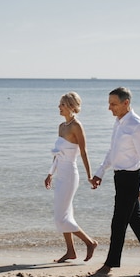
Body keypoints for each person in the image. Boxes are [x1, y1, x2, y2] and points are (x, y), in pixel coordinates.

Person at [90, 87, 140, 276]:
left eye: (113, 104)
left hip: (132, 179)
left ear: (126, 103)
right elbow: (112, 152)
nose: (110, 108)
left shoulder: (137, 125)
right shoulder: (118, 123)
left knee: (118, 222)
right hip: (120, 177)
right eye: (109, 103)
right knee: (136, 221)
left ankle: (109, 265)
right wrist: (100, 172)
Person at [45, 92, 98, 263]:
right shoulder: (61, 126)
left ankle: (89, 242)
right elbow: (57, 154)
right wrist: (50, 173)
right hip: (60, 174)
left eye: (62, 104)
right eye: (59, 104)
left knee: (61, 216)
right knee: (64, 214)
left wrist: (89, 175)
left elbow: (83, 152)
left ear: (70, 106)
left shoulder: (77, 126)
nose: (59, 107)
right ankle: (70, 251)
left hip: (69, 175)